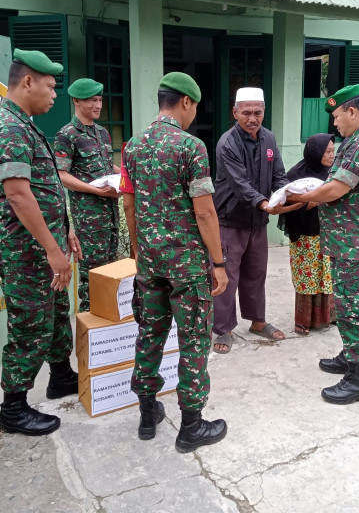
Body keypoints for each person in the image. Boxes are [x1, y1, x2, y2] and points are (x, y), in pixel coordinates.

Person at [120, 72, 229, 453]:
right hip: (186, 266)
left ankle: (147, 414)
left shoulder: (132, 147)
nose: (193, 113)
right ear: (185, 102)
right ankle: (191, 426)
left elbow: (129, 204)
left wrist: (138, 251)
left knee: (150, 334)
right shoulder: (191, 147)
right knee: (193, 339)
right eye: (194, 106)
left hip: (150, 263)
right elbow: (205, 212)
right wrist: (218, 263)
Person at [0, 49, 82, 436]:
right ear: (27, 82)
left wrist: (65, 229)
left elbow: (45, 187)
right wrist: (52, 250)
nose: (55, 94)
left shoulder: (24, 124)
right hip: (24, 249)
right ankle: (13, 408)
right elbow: (18, 195)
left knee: (55, 313)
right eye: (50, 86)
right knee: (30, 325)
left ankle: (60, 376)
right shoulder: (9, 127)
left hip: (41, 243)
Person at [288, 85, 359, 404]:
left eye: (336, 116)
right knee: (346, 305)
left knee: (356, 309)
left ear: (352, 112)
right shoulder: (355, 141)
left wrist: (301, 197)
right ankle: (351, 354)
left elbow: (336, 188)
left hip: (357, 242)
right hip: (346, 241)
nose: (334, 123)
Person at [211, 87, 302, 354]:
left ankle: (257, 321)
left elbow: (279, 175)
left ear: (264, 112)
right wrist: (265, 203)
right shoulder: (227, 143)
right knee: (226, 277)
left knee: (256, 274)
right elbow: (240, 184)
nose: (253, 118)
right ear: (235, 112)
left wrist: (287, 193)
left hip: (258, 221)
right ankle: (223, 329)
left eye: (258, 113)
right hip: (230, 219)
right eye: (247, 113)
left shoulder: (269, 138)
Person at [54, 78, 120, 311]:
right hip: (89, 224)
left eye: (100, 100)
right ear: (76, 101)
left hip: (111, 219)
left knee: (111, 280)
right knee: (92, 285)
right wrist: (95, 190)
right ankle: (89, 331)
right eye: (92, 100)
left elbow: (107, 166)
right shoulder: (67, 135)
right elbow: (61, 174)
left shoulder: (102, 133)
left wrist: (124, 176)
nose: (98, 105)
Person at [277, 133, 336, 335]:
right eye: (327, 151)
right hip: (305, 234)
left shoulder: (333, 172)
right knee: (307, 275)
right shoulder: (296, 174)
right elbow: (287, 201)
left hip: (327, 233)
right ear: (315, 152)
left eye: (333, 151)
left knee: (326, 275)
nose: (332, 155)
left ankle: (328, 317)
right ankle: (303, 320)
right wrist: (312, 201)